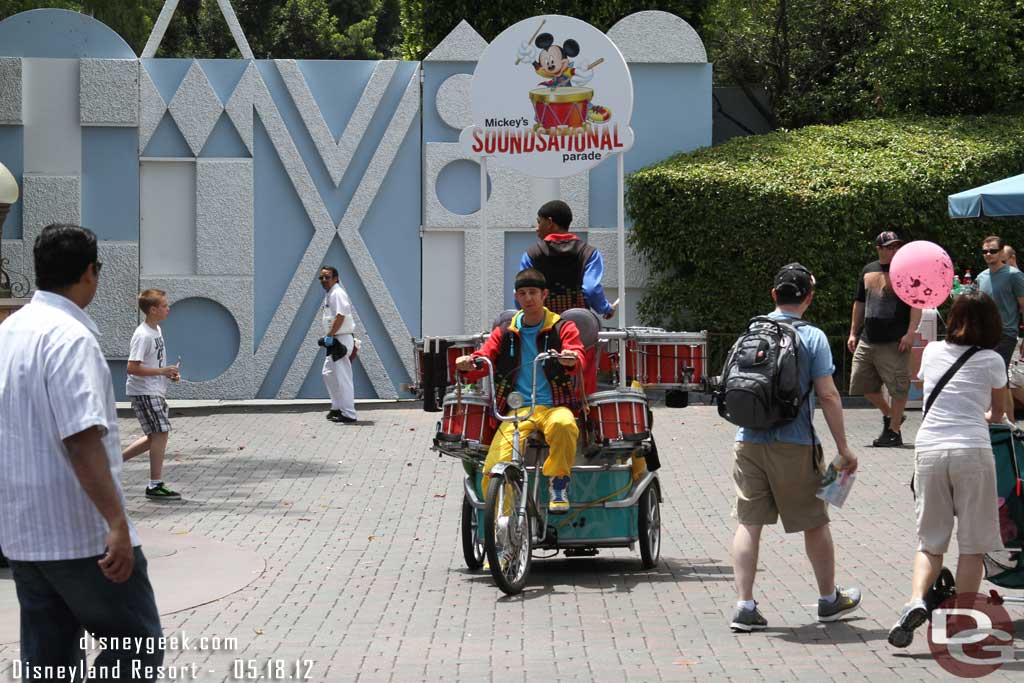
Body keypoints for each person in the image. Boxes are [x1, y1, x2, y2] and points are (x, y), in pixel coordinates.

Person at [0, 224, 163, 677]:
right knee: (135, 648)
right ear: (90, 272)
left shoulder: (9, 332)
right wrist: (115, 522)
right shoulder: (71, 339)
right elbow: (82, 438)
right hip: (81, 534)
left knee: (48, 662)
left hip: (23, 534)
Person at [730, 263, 862, 632]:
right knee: (814, 522)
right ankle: (828, 599)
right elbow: (829, 394)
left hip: (748, 440)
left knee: (749, 522)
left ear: (774, 295)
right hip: (795, 442)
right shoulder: (814, 338)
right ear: (809, 297)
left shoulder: (753, 329)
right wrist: (844, 447)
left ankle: (744, 605)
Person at [888, 290, 1007, 648]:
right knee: (972, 546)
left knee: (930, 542)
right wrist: (983, 415)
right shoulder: (991, 360)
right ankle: (959, 621)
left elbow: (926, 387)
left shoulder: (935, 352)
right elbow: (998, 415)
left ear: (953, 319)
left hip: (929, 449)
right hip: (972, 450)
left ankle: (915, 601)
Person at [456, 268, 584, 513]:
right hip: (516, 411)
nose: (528, 298)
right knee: (494, 466)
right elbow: (484, 356)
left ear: (544, 294)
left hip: (555, 406)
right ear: (516, 296)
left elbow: (577, 354)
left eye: (533, 292)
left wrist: (571, 358)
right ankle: (503, 525)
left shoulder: (562, 327)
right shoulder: (505, 332)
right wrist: (469, 363)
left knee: (565, 425)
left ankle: (558, 483)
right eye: (523, 293)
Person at [847, 231, 921, 448]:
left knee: (899, 388)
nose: (894, 250)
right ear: (878, 248)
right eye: (889, 247)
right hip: (868, 338)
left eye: (897, 246)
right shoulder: (868, 270)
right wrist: (853, 332)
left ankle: (894, 431)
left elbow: (916, 303)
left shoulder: (907, 271)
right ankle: (892, 416)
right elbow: (859, 302)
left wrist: (910, 333)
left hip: (895, 340)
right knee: (862, 386)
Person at [122, 288, 182, 500]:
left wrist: (168, 374)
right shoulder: (143, 335)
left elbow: (152, 362)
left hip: (155, 389)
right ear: (153, 309)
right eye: (165, 306)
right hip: (144, 391)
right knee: (161, 432)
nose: (168, 308)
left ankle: (114, 463)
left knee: (154, 437)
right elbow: (132, 367)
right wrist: (162, 371)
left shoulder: (156, 331)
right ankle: (154, 484)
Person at [519, 200, 616, 318]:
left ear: (550, 222)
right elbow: (591, 289)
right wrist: (605, 308)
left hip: (544, 328)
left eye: (539, 222)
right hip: (579, 327)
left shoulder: (531, 254)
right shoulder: (590, 253)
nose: (537, 228)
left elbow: (521, 291)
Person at [976, 235, 1024, 419]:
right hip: (984, 335)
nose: (988, 254)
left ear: (1002, 252)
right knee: (1001, 378)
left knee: (997, 376)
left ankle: (999, 419)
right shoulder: (981, 277)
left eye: (993, 251)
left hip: (1006, 333)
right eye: (985, 251)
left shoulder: (1014, 275)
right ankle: (1008, 422)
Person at [319, 266, 357, 423]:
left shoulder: (337, 293)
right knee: (327, 373)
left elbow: (340, 316)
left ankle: (349, 413)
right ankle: (337, 407)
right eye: (321, 278)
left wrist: (329, 334)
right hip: (335, 339)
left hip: (340, 339)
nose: (323, 280)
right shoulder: (330, 294)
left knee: (343, 377)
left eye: (327, 277)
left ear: (336, 278)